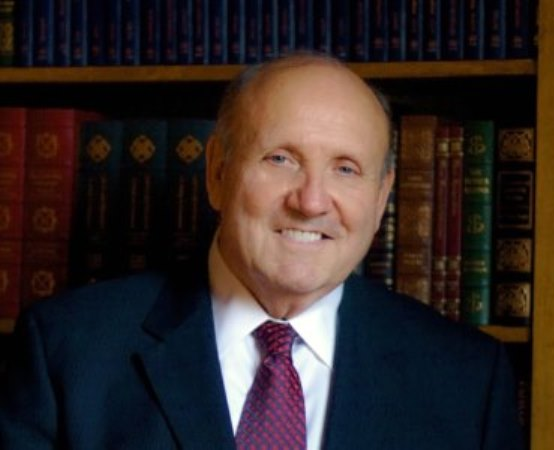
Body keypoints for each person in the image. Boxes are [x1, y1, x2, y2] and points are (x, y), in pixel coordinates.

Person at [0, 53, 524, 450]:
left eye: (346, 169)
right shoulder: (67, 352)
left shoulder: (467, 380)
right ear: (217, 172)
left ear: (383, 196)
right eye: (280, 159)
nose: (311, 202)